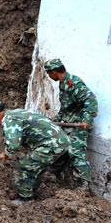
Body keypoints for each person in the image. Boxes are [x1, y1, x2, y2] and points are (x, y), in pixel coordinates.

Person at [0, 98, 70, 206]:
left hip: (51, 144)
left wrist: (6, 153)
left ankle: (24, 200)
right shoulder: (16, 112)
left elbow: (14, 144)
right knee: (36, 167)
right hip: (60, 141)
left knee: (22, 167)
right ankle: (31, 192)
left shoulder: (8, 119)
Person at [44, 58, 98, 191]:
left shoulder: (73, 83)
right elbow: (66, 108)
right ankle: (51, 174)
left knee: (76, 152)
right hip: (69, 123)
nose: (49, 77)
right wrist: (57, 119)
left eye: (49, 74)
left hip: (78, 125)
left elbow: (91, 100)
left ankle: (83, 184)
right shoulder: (63, 84)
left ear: (55, 72)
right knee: (59, 146)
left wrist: (87, 120)